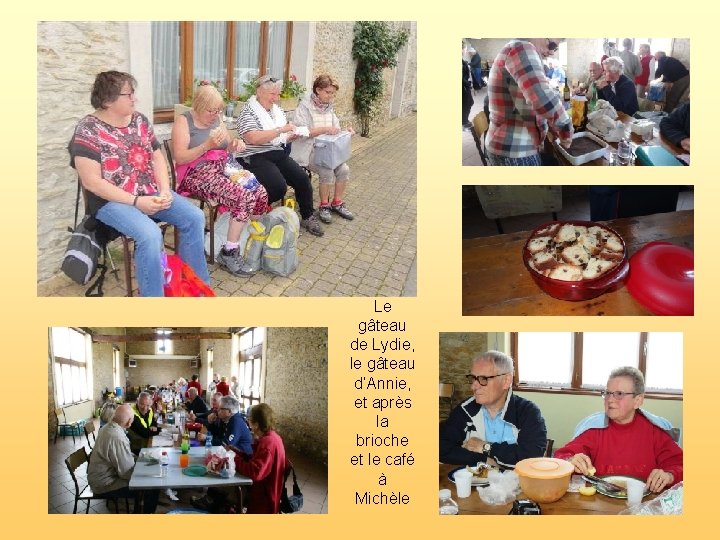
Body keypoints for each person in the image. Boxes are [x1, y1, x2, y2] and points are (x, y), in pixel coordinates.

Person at [68, 71, 210, 297]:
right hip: (111, 201)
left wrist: (164, 189)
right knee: (150, 234)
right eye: (129, 95)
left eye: (133, 94)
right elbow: (92, 182)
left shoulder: (139, 120)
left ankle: (196, 287)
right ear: (107, 100)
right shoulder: (88, 129)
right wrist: (136, 201)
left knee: (194, 217)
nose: (135, 99)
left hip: (150, 192)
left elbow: (157, 157)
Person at [172, 84, 269, 275]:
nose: (216, 115)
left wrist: (234, 144)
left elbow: (226, 146)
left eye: (218, 110)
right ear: (198, 106)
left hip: (223, 167)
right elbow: (180, 157)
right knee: (243, 197)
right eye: (211, 111)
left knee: (260, 192)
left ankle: (252, 235)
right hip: (196, 174)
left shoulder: (216, 119)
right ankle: (230, 251)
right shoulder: (184, 122)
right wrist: (206, 146)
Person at [554, 367, 683, 493]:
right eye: (607, 393)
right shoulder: (594, 429)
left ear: (638, 401)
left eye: (619, 394)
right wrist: (570, 461)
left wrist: (669, 475)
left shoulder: (656, 431)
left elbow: (680, 465)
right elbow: (560, 457)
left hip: (642, 505)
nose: (610, 399)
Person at [235, 74, 325, 237]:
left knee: (302, 179)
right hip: (254, 156)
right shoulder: (248, 111)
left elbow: (280, 136)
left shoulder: (275, 111)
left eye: (278, 94)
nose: (276, 98)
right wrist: (280, 131)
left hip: (276, 151)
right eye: (272, 94)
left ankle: (307, 216)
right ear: (259, 92)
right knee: (277, 187)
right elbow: (252, 138)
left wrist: (291, 135)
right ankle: (255, 216)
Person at [439, 351, 547, 467]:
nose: (473, 386)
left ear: (506, 381)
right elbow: (439, 447)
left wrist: (485, 447)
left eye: (483, 379)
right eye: (473, 378)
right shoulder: (465, 409)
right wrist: (484, 459)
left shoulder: (528, 412)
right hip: (473, 483)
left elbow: (530, 458)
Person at [486, 38, 573, 166]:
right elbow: (542, 99)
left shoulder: (515, 47)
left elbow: (530, 101)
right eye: (552, 45)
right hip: (514, 150)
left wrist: (550, 124)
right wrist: (566, 129)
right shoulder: (521, 47)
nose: (552, 52)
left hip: (509, 146)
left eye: (555, 48)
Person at [291, 74, 355, 225]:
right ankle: (324, 206)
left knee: (344, 169)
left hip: (327, 151)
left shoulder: (329, 108)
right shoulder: (303, 108)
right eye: (328, 92)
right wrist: (324, 129)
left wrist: (346, 132)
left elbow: (336, 130)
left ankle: (337, 203)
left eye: (333, 93)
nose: (331, 96)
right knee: (327, 170)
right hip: (308, 150)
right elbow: (300, 132)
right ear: (318, 90)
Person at [87, 404, 159, 513]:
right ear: (129, 422)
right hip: (104, 484)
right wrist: (147, 472)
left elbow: (126, 456)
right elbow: (126, 473)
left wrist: (142, 459)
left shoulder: (108, 426)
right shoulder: (116, 437)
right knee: (151, 486)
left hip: (103, 477)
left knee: (148, 476)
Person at [232, 403, 287, 513]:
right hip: (265, 490)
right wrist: (235, 452)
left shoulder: (268, 443)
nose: (250, 426)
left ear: (256, 424)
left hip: (264, 497)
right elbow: (255, 457)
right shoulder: (271, 436)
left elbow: (255, 472)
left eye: (250, 422)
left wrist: (234, 459)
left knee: (229, 493)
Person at [462, 43, 473, 130]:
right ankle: (464, 122)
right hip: (463, 87)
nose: (465, 51)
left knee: (469, 103)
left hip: (465, 86)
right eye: (464, 49)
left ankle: (464, 120)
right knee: (467, 103)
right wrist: (467, 84)